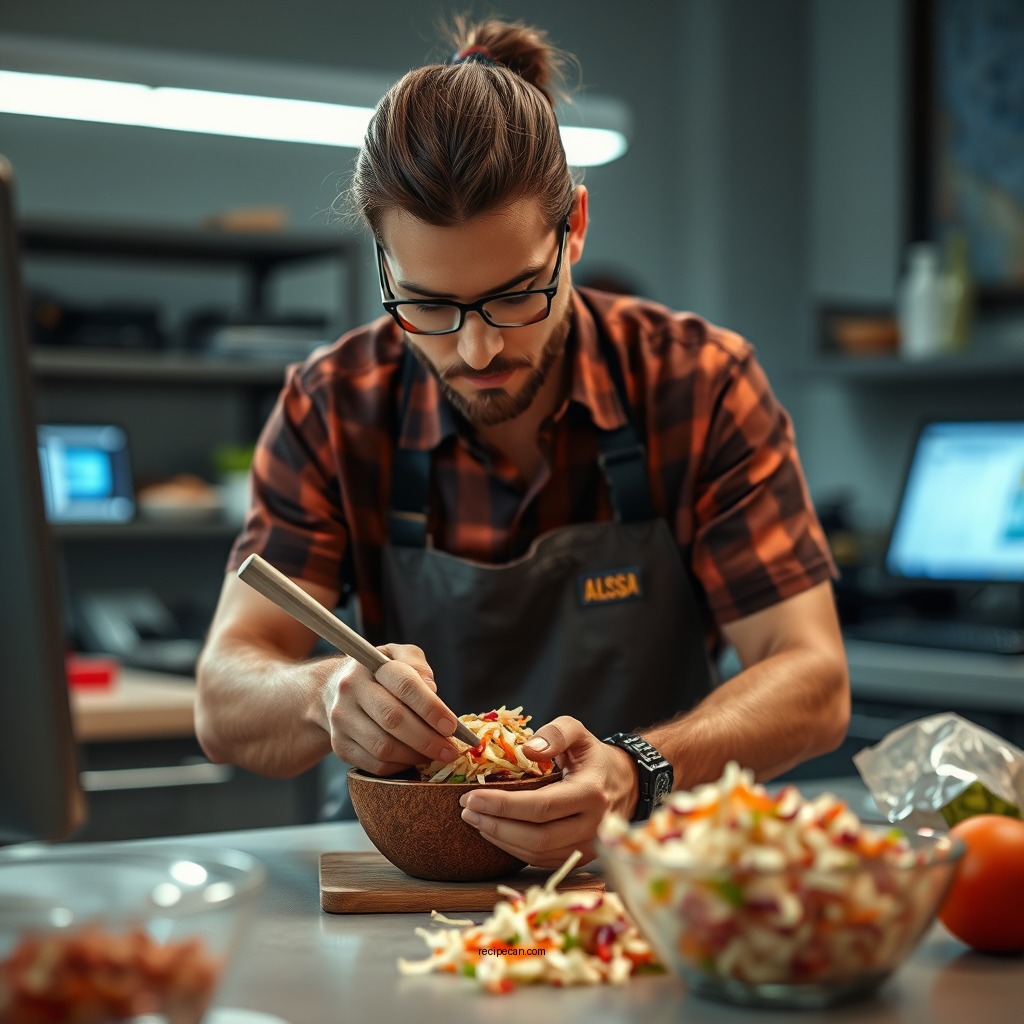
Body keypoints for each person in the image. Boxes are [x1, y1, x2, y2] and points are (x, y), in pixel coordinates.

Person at [195, 16, 849, 868]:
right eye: (428, 305)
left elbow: (813, 678)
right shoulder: (335, 403)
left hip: (646, 876)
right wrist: (324, 695)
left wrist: (640, 768)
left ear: (573, 228)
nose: (477, 351)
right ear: (384, 261)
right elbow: (224, 697)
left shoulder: (699, 383)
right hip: (406, 875)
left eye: (515, 296)